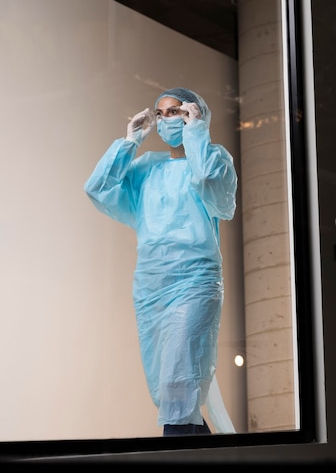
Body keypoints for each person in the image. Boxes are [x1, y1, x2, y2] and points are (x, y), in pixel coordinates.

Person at [84, 87, 238, 436]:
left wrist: (197, 133)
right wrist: (130, 142)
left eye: (178, 112)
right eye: (162, 113)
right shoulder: (146, 169)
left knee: (179, 382)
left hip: (196, 281)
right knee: (166, 388)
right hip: (152, 287)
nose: (168, 119)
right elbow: (97, 189)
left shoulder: (215, 159)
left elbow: (212, 188)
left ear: (195, 114)